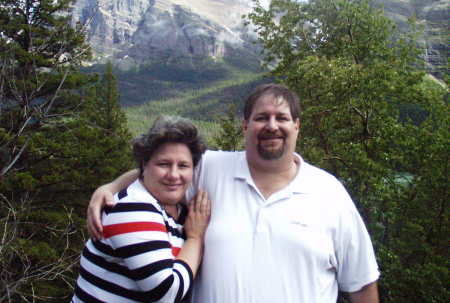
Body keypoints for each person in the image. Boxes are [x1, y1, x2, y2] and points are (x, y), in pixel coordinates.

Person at [87, 84, 380, 303]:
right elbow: (161, 173)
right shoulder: (211, 168)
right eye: (262, 117)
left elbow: (362, 285)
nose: (272, 126)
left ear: (297, 125)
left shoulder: (329, 193)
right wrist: (111, 187)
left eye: (282, 117)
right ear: (246, 126)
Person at [72, 116, 211, 303]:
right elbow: (166, 294)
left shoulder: (178, 210)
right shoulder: (132, 207)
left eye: (183, 165)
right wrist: (195, 238)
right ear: (144, 165)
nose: (174, 175)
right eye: (163, 164)